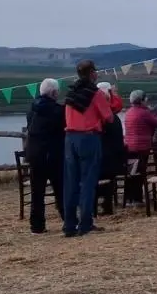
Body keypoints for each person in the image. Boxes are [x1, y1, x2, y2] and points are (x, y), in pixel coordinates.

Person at [63, 60, 114, 237]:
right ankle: (85, 223)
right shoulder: (95, 93)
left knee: (70, 183)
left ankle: (69, 225)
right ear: (92, 73)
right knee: (88, 182)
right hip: (88, 137)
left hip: (70, 139)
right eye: (95, 71)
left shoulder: (70, 93)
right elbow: (109, 118)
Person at [25, 78, 65, 234]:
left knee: (37, 192)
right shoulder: (57, 111)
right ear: (54, 92)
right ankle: (68, 220)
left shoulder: (31, 109)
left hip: (34, 154)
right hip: (52, 154)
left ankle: (37, 226)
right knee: (60, 190)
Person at [123, 90, 157, 205]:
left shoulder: (128, 112)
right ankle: (137, 199)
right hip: (141, 147)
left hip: (129, 146)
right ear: (142, 100)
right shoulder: (144, 112)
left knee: (131, 173)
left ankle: (129, 198)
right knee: (139, 173)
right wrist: (154, 112)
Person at [94, 82, 125, 216]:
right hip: (111, 158)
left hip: (101, 157)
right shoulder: (113, 118)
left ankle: (101, 204)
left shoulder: (98, 116)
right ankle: (106, 204)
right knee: (108, 176)